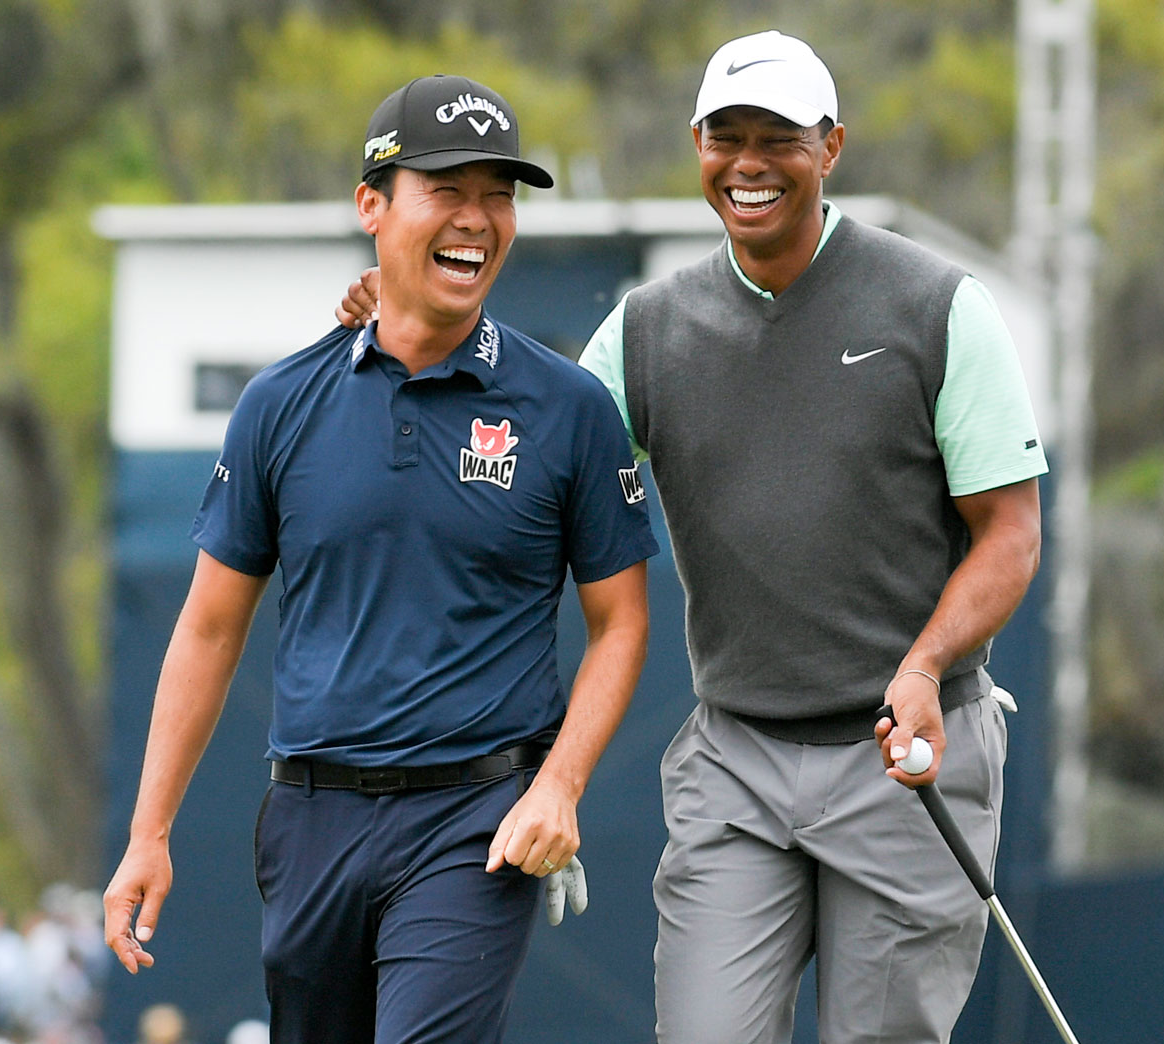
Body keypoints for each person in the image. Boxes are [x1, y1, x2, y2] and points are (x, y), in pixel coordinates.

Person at [338, 30, 1046, 1044]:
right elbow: (521, 442)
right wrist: (400, 323)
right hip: (738, 758)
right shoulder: (646, 331)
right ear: (697, 146)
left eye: (778, 138)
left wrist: (927, 663)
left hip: (906, 750)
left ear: (831, 146)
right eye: (726, 137)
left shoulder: (938, 309)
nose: (749, 163)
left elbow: (1009, 534)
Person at [103, 74, 658, 1044]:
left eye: (498, 196)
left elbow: (621, 623)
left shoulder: (567, 407)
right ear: (373, 205)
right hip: (308, 821)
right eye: (446, 191)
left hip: (476, 822)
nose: (477, 219)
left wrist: (559, 784)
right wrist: (148, 833)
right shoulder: (278, 404)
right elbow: (208, 628)